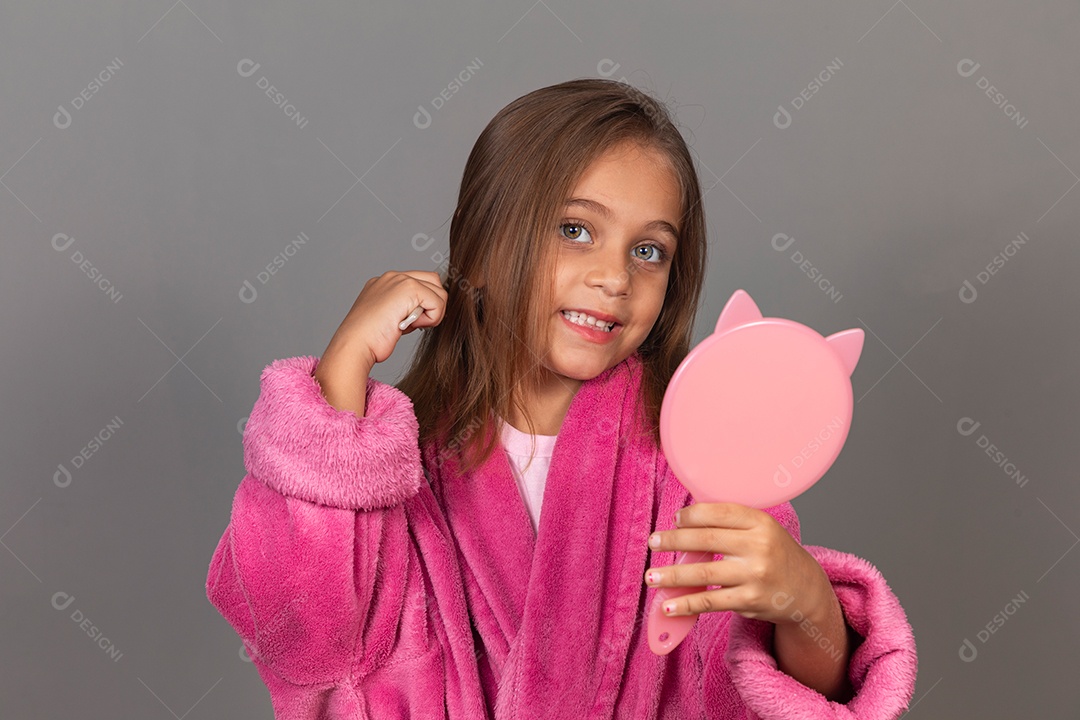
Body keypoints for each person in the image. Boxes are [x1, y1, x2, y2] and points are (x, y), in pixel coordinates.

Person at [206, 78, 917, 719]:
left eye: (649, 251)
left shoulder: (705, 467)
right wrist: (343, 371)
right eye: (575, 230)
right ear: (482, 246)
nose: (614, 277)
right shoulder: (389, 473)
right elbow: (301, 636)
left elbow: (765, 697)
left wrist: (804, 601)